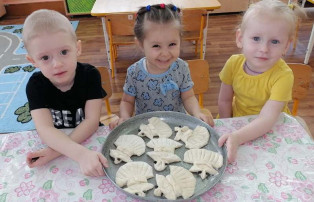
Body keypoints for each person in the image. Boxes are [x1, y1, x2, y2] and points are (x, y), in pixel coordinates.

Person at [23, 9, 108, 176]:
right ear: (32, 61)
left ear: (77, 48)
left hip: (86, 139)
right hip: (57, 141)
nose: (57, 64)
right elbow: (45, 129)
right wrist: (78, 153)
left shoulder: (90, 75)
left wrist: (56, 152)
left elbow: (91, 121)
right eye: (45, 58)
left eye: (64, 52)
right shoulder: (35, 85)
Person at [217, 0, 306, 163]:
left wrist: (236, 136)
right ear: (240, 38)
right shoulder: (233, 63)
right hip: (238, 123)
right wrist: (227, 125)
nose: (264, 49)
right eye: (256, 38)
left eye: (274, 42)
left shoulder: (283, 76)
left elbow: (267, 119)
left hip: (271, 129)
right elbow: (224, 100)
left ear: (286, 45)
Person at [109, 4, 214, 129]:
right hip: (146, 128)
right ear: (141, 44)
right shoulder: (134, 72)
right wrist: (125, 117)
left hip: (177, 127)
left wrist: (197, 113)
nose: (165, 53)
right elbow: (127, 101)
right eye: (156, 46)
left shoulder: (181, 68)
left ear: (180, 40)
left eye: (172, 44)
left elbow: (188, 97)